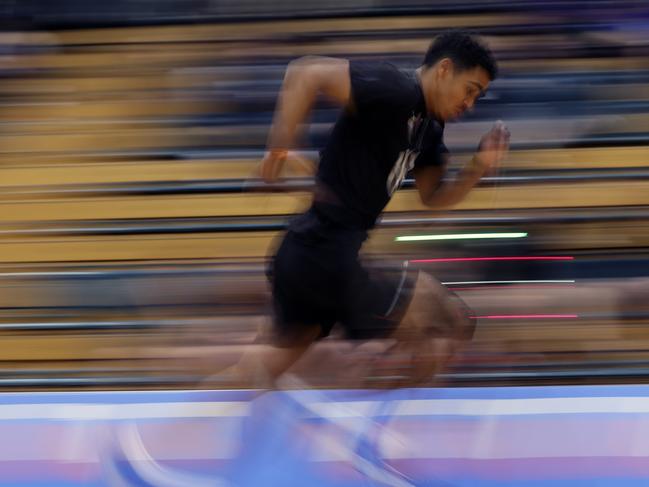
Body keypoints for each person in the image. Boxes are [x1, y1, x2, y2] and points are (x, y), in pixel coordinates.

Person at [230, 30, 510, 389]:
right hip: (324, 253)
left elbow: (433, 200)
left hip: (317, 253)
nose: (470, 104)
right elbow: (305, 72)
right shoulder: (395, 89)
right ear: (444, 70)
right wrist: (278, 153)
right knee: (447, 320)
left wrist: (478, 169)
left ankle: (177, 426)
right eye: (469, 90)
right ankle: (374, 430)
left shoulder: (429, 129)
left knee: (260, 372)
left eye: (478, 97)